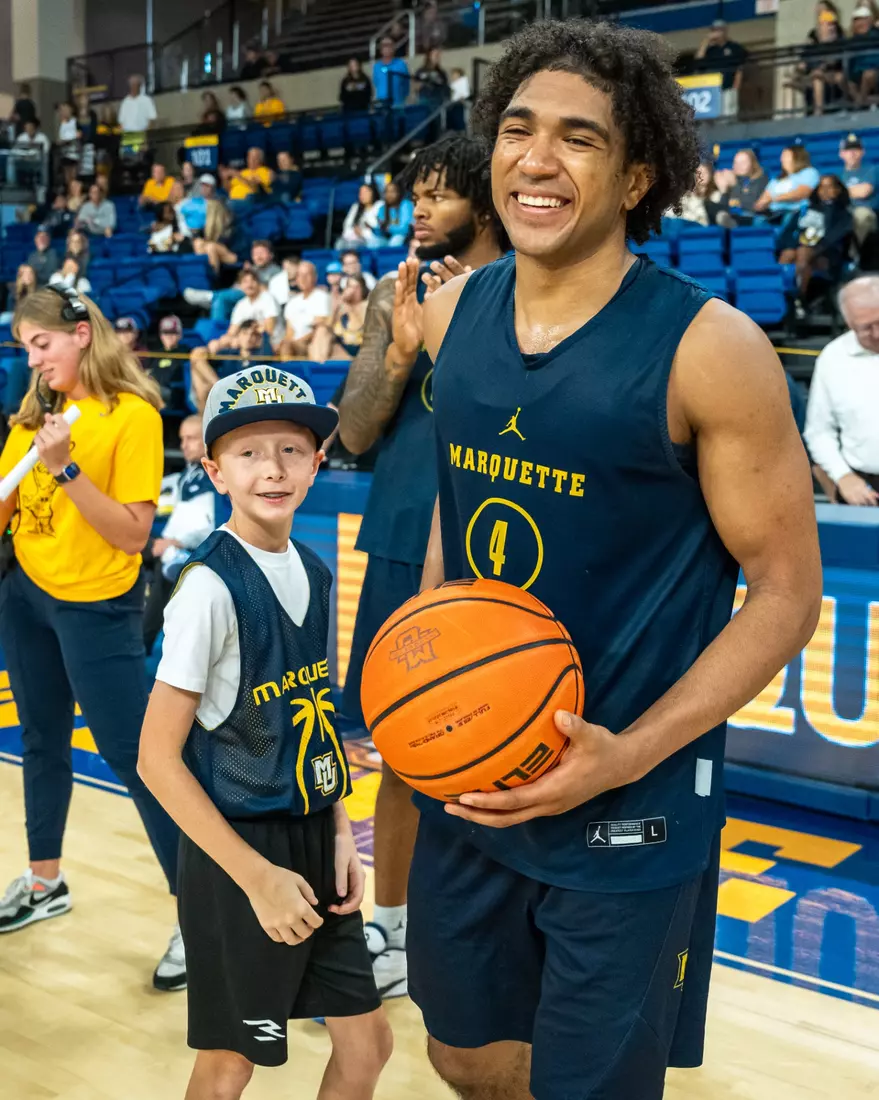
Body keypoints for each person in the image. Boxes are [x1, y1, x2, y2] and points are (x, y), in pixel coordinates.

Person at [403, 21, 821, 1100]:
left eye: (579, 139)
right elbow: (460, 511)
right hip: (477, 776)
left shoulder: (709, 347)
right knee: (460, 1047)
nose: (536, 159)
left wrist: (629, 750)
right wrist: (426, 659)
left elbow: (786, 593)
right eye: (517, 129)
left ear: (638, 174)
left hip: (625, 801)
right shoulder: (452, 317)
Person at [138, 365, 391, 1100]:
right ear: (214, 470)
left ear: (317, 463)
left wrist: (338, 829)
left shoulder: (312, 570)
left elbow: (308, 724)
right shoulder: (209, 589)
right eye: (249, 453)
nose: (272, 469)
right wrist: (257, 878)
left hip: (312, 836)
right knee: (232, 1063)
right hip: (237, 857)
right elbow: (157, 759)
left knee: (367, 1042)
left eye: (290, 449)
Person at [337, 134, 506, 1000]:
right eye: (414, 197)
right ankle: (393, 930)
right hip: (404, 536)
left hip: (503, 541)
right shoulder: (390, 294)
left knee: (503, 744)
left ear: (481, 200)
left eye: (438, 196)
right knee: (404, 748)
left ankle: (488, 925)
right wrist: (401, 348)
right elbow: (355, 433)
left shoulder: (522, 291)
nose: (420, 212)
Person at [0, 286, 184, 991]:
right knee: (42, 740)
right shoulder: (32, 418)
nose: (33, 358)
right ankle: (45, 882)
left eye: (41, 344)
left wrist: (64, 468)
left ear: (82, 334)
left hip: (97, 607)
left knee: (140, 759)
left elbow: (134, 534)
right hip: (28, 597)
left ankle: (199, 914)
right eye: (24, 348)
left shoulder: (130, 417)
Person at [141, 414, 228, 653]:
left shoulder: (217, 477)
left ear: (207, 442)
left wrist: (175, 542)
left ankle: (141, 643)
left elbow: (210, 525)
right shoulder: (186, 476)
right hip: (170, 546)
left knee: (163, 567)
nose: (183, 445)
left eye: (191, 438)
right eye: (182, 439)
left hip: (194, 552)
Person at [805, 276, 879, 504]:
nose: (877, 334)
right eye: (866, 328)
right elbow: (818, 432)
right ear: (849, 323)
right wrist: (843, 476)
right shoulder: (833, 358)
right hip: (864, 490)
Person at [779, 175, 853, 316]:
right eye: (821, 187)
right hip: (802, 254)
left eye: (829, 186)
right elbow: (787, 234)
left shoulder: (843, 214)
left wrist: (812, 247)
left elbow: (834, 238)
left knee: (802, 252)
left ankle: (797, 299)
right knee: (788, 254)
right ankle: (789, 300)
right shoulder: (804, 210)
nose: (824, 190)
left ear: (838, 190)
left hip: (827, 256)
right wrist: (792, 246)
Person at [189, 320, 272, 410]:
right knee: (197, 360)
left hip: (244, 395)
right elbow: (199, 360)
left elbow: (268, 354)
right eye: (245, 333)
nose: (248, 338)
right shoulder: (230, 353)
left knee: (205, 388)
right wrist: (205, 349)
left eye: (253, 335)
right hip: (222, 394)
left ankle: (217, 389)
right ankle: (218, 385)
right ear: (238, 336)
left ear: (258, 339)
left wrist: (264, 333)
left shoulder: (259, 355)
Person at [280, 260, 333, 360]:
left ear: (315, 277)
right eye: (300, 275)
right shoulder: (292, 303)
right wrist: (289, 342)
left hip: (313, 343)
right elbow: (289, 331)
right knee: (284, 345)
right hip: (295, 346)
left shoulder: (322, 297)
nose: (303, 279)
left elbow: (321, 326)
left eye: (307, 275)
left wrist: (299, 341)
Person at [694, 19, 747, 116]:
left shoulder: (734, 47)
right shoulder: (710, 50)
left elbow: (739, 68)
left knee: (728, 116)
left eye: (719, 30)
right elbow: (698, 60)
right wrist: (706, 40)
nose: (717, 33)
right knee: (712, 118)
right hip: (711, 89)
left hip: (728, 87)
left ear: (725, 31)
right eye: (714, 30)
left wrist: (735, 87)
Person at [753, 145, 820, 220]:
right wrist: (761, 205)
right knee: (758, 220)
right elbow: (762, 200)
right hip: (773, 213)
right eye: (782, 156)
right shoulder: (776, 180)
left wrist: (773, 199)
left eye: (786, 156)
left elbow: (801, 193)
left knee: (787, 219)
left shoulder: (809, 172)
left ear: (797, 157)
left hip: (795, 212)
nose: (781, 159)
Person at [838, 132, 879, 246]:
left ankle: (860, 257)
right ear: (841, 154)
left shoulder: (873, 169)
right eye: (848, 150)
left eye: (856, 149)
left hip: (868, 212)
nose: (852, 153)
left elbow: (864, 192)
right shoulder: (838, 175)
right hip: (844, 213)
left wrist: (839, 191)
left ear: (862, 152)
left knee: (862, 215)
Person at [714, 148, 769, 227]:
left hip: (755, 218)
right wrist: (724, 190)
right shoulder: (733, 180)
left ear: (753, 163)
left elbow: (752, 206)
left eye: (743, 163)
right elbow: (722, 209)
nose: (738, 166)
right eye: (735, 163)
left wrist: (734, 185)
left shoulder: (762, 179)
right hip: (734, 217)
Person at [330, 274, 370, 359]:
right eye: (350, 287)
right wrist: (336, 308)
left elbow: (363, 325)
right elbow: (330, 328)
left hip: (362, 346)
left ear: (362, 289)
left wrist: (351, 308)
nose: (353, 291)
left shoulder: (366, 304)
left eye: (356, 287)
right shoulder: (341, 306)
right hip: (344, 346)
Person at [846, 6, 879, 107]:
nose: (860, 23)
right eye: (857, 20)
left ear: (869, 20)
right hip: (857, 73)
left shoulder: (876, 34)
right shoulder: (851, 41)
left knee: (868, 75)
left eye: (863, 20)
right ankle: (865, 102)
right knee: (845, 81)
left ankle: (860, 104)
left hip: (875, 71)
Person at [336, 182, 381, 249]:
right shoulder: (355, 207)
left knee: (353, 245)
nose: (362, 195)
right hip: (352, 238)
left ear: (373, 193)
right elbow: (347, 224)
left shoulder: (379, 205)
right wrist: (353, 232)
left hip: (371, 239)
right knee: (339, 243)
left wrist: (362, 233)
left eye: (365, 192)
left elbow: (377, 227)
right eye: (360, 193)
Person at [370, 181, 416, 247]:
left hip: (405, 238)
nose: (389, 195)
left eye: (392, 191)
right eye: (387, 192)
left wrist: (388, 228)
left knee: (396, 239)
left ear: (399, 193)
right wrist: (374, 229)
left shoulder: (405, 204)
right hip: (387, 238)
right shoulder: (382, 208)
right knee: (374, 242)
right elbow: (381, 232)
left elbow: (405, 230)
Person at [373, 37, 410, 107]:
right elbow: (376, 83)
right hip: (381, 105)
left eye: (389, 45)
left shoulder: (401, 64)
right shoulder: (376, 67)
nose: (387, 48)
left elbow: (406, 84)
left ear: (393, 48)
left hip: (398, 105)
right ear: (380, 50)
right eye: (384, 46)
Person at [56, 102, 80, 184]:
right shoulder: (62, 124)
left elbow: (78, 135)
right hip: (65, 154)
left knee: (73, 178)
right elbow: (60, 138)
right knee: (67, 179)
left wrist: (67, 140)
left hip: (74, 153)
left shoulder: (75, 121)